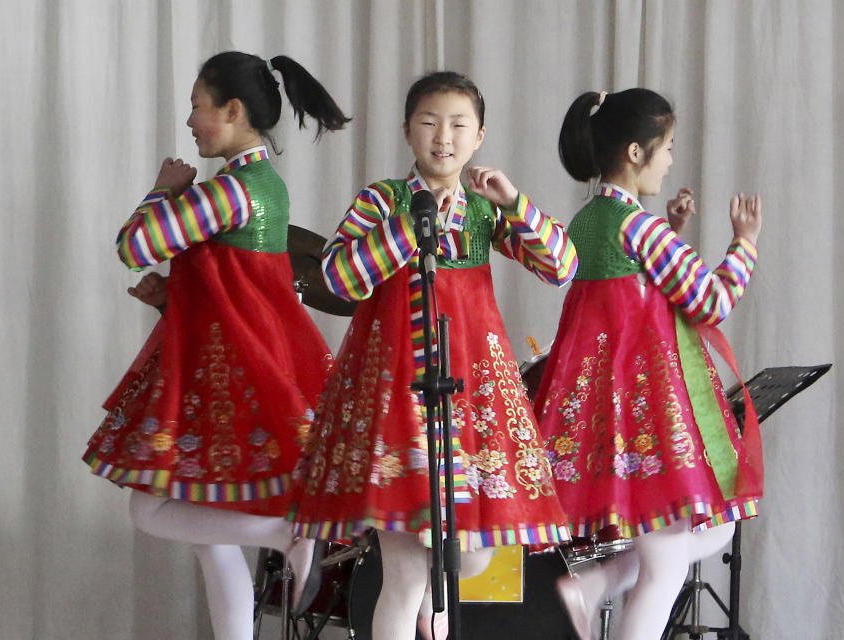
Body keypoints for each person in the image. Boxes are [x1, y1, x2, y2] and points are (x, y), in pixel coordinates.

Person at [289, 71, 579, 639]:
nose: (442, 136)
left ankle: (430, 610)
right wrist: (409, 227)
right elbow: (339, 278)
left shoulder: (484, 209)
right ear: (407, 132)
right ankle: (423, 614)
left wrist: (514, 201)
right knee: (404, 571)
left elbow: (561, 266)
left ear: (479, 136)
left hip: (471, 397)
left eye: (458, 125)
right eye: (428, 122)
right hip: (399, 397)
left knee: (466, 557)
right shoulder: (383, 199)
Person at [82, 51, 349, 640]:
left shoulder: (233, 190)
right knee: (213, 537)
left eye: (197, 107)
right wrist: (169, 300)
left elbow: (136, 245)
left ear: (233, 110)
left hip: (227, 380)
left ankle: (287, 534)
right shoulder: (266, 188)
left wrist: (162, 190)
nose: (190, 121)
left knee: (150, 509)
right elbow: (240, 289)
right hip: (241, 369)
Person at [533, 89, 763, 640]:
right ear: (636, 152)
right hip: (647, 418)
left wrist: (672, 228)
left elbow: (628, 296)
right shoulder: (639, 228)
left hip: (609, 418)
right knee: (667, 564)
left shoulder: (589, 221)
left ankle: (589, 587)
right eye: (666, 149)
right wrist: (745, 243)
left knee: (687, 538)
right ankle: (589, 588)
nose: (669, 161)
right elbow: (708, 301)